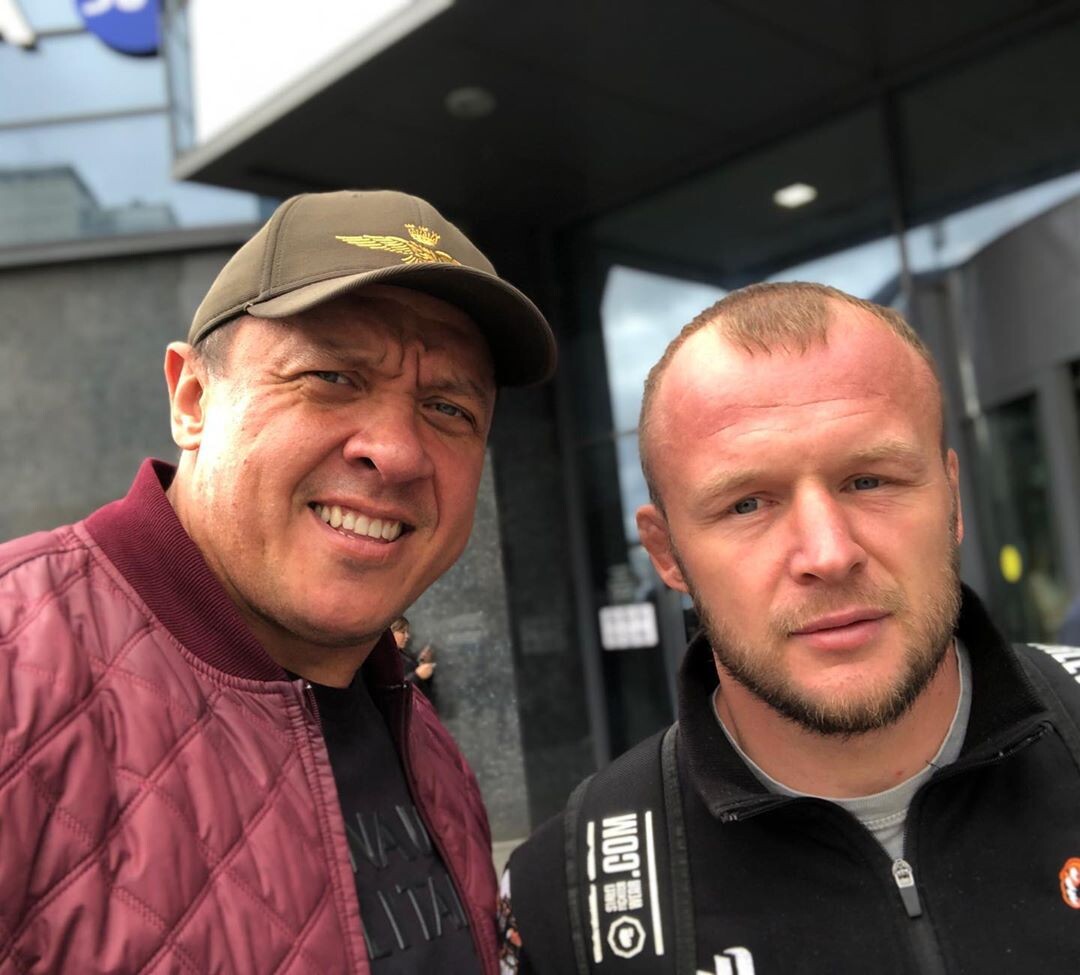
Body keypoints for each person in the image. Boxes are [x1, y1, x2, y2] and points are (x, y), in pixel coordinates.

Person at [0, 189, 556, 974]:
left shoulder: (425, 745)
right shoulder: (16, 674)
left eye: (446, 407)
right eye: (332, 376)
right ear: (192, 399)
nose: (398, 451)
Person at [500, 281, 1080, 974]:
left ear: (951, 498)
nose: (828, 554)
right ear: (667, 553)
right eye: (747, 504)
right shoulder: (563, 903)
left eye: (870, 480)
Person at [392, 616, 438, 705]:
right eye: (403, 632)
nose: (407, 636)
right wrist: (417, 676)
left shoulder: (401, 654)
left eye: (407, 632)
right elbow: (394, 691)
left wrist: (422, 665)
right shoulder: (385, 659)